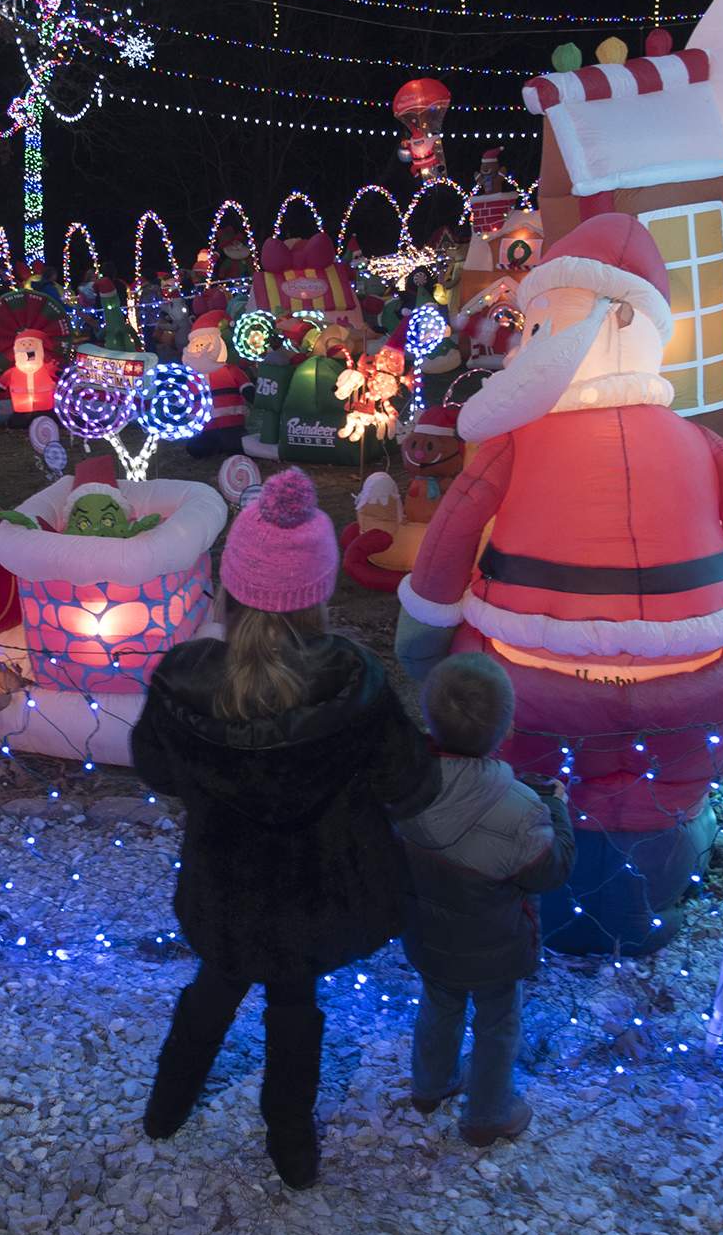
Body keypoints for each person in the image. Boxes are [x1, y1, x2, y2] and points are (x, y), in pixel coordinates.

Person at [132, 469, 434, 1189]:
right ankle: (292, 1145)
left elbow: (156, 768)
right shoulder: (354, 680)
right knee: (296, 1006)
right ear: (318, 593)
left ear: (231, 588)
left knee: (213, 990)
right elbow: (409, 784)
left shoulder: (185, 677)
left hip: (224, 892)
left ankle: (166, 1108)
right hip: (316, 898)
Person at [393, 653, 574, 1146]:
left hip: (428, 938)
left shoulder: (402, 787)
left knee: (438, 1005)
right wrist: (556, 809)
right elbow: (550, 872)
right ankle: (487, 1114)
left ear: (428, 715)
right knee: (497, 1024)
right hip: (496, 948)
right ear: (507, 727)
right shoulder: (521, 809)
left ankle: (430, 1086)